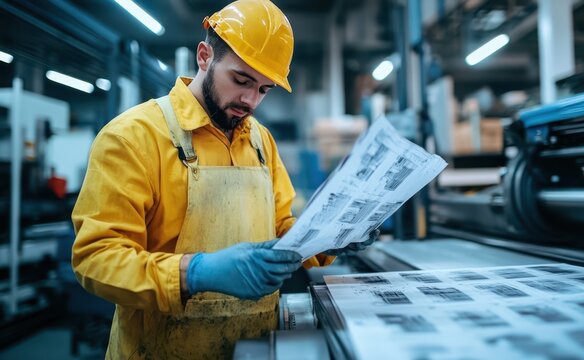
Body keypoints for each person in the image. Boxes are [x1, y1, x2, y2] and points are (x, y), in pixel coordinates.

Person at [71, 0, 377, 358]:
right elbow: (96, 257)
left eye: (264, 89)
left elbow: (282, 228)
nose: (250, 100)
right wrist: (196, 273)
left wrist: (329, 238)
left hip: (255, 347)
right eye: (241, 80)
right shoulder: (133, 137)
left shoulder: (261, 141)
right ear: (204, 56)